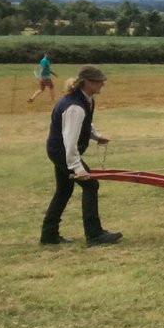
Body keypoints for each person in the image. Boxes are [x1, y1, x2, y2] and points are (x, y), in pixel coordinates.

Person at [40, 65, 122, 247]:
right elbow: (69, 140)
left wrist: (96, 136)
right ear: (87, 83)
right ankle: (94, 235)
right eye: (99, 82)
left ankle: (48, 235)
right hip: (63, 152)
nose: (103, 84)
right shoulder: (74, 106)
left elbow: (85, 123)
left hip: (60, 150)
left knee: (63, 190)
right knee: (91, 185)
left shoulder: (85, 99)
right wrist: (77, 167)